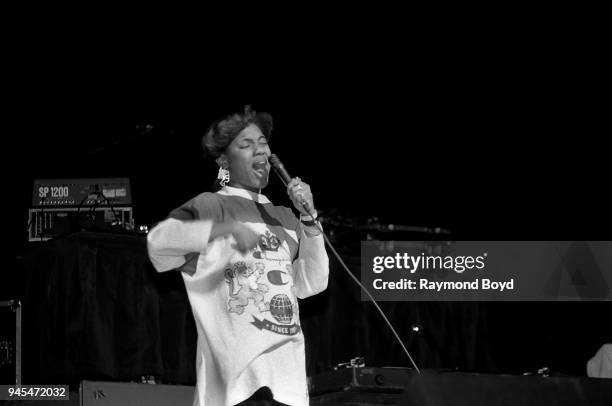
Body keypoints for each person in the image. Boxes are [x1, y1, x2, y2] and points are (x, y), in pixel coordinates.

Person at [147, 106, 329, 406]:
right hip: (233, 388)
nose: (260, 150)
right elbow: (158, 246)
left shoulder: (284, 215)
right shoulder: (209, 206)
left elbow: (311, 284)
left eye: (262, 143)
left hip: (287, 385)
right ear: (224, 161)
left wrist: (309, 219)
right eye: (245, 145)